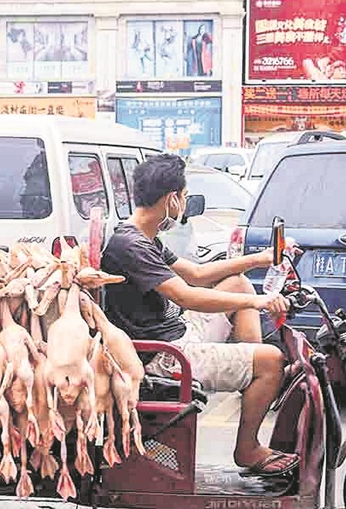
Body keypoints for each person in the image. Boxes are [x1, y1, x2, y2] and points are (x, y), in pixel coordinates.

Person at [100, 153, 299, 477]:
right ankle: (247, 447)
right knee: (272, 360)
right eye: (184, 195)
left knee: (237, 285)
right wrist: (260, 303)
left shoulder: (141, 236)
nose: (185, 201)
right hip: (162, 356)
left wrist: (259, 259)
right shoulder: (131, 245)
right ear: (171, 199)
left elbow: (196, 272)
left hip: (176, 334)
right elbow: (186, 295)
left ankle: (250, 371)